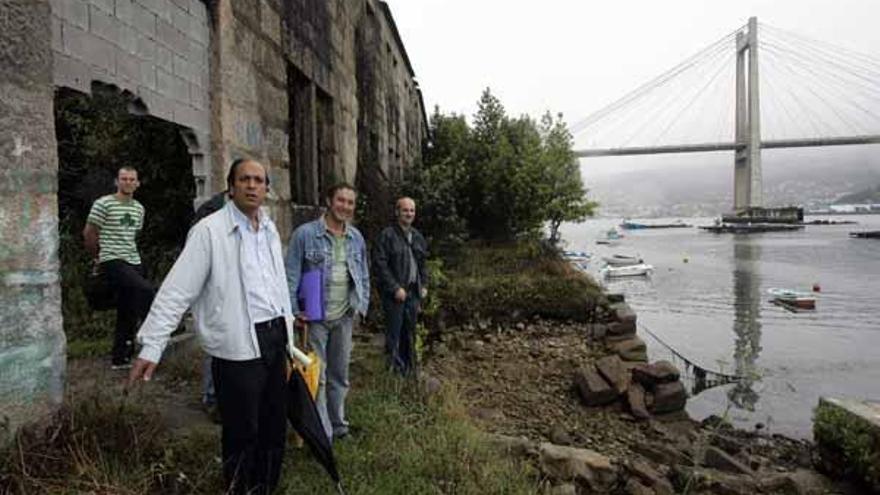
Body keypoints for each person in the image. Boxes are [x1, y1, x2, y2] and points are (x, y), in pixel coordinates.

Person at [128, 159, 292, 494]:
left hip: (275, 337)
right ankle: (239, 488)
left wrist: (289, 331)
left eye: (259, 180)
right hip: (237, 344)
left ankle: (266, 487)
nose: (252, 186)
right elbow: (178, 289)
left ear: (266, 188)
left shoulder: (269, 228)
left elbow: (277, 285)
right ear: (231, 187)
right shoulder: (210, 231)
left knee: (274, 427)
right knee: (242, 431)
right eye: (244, 179)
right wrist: (153, 344)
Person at [285, 183, 369, 441]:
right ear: (329, 202)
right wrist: (294, 311)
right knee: (317, 377)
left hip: (343, 317)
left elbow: (363, 274)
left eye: (350, 203)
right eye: (341, 200)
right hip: (315, 318)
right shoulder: (305, 234)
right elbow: (291, 275)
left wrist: (360, 305)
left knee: (339, 376)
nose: (345, 206)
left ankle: (339, 425)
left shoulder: (356, 237)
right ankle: (322, 433)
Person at [83, 166, 154, 369]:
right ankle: (163, 325)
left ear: (137, 183)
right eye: (124, 179)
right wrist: (97, 257)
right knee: (145, 290)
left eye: (132, 179)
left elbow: (134, 235)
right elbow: (89, 233)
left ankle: (121, 358)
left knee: (128, 308)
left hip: (133, 259)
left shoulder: (139, 208)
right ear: (117, 181)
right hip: (111, 258)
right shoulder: (103, 204)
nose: (128, 183)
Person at [373, 197, 428, 375]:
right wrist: (395, 288)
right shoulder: (387, 236)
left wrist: (424, 285)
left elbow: (422, 264)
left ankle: (410, 372)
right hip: (394, 294)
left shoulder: (418, 236)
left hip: (413, 293)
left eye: (412, 211)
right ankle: (393, 375)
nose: (409, 214)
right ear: (397, 212)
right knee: (394, 335)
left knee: (410, 334)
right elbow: (379, 265)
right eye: (405, 210)